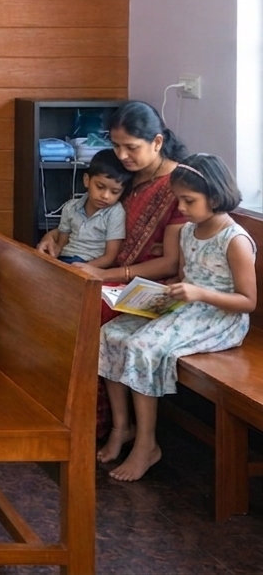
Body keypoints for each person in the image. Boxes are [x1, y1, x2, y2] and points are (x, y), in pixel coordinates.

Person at [97, 154, 256, 481]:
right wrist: (154, 295)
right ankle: (121, 427)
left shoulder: (234, 239)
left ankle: (147, 444)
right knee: (110, 334)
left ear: (214, 196)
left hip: (220, 318)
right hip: (185, 307)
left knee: (143, 346)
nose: (181, 208)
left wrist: (199, 293)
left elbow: (248, 301)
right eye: (178, 200)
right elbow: (183, 277)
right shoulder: (187, 232)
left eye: (189, 201)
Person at [68, 102, 190, 438]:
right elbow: (87, 217)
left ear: (157, 142)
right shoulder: (128, 177)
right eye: (116, 145)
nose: (122, 155)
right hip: (115, 276)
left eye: (131, 147)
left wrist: (104, 276)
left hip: (160, 287)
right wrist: (54, 236)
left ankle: (96, 425)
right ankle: (64, 413)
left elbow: (170, 263)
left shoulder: (178, 186)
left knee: (90, 311)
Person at [36, 149, 129, 267]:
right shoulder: (71, 207)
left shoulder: (115, 212)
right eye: (100, 187)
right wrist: (52, 256)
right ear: (87, 180)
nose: (105, 196)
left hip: (92, 264)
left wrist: (85, 268)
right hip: (66, 260)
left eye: (115, 192)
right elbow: (62, 243)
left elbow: (110, 257)